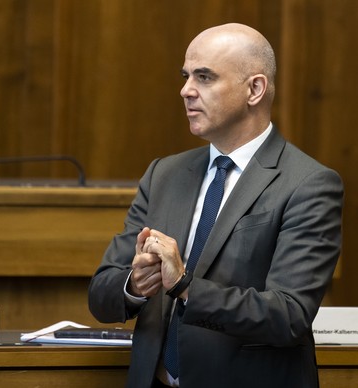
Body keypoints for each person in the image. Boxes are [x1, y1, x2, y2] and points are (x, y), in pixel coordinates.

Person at [88, 23, 343, 388]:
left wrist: (184, 286)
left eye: (204, 78)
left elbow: (289, 315)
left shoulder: (308, 183)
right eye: (186, 76)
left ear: (255, 89)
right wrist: (134, 284)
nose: (186, 90)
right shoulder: (164, 173)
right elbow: (101, 294)